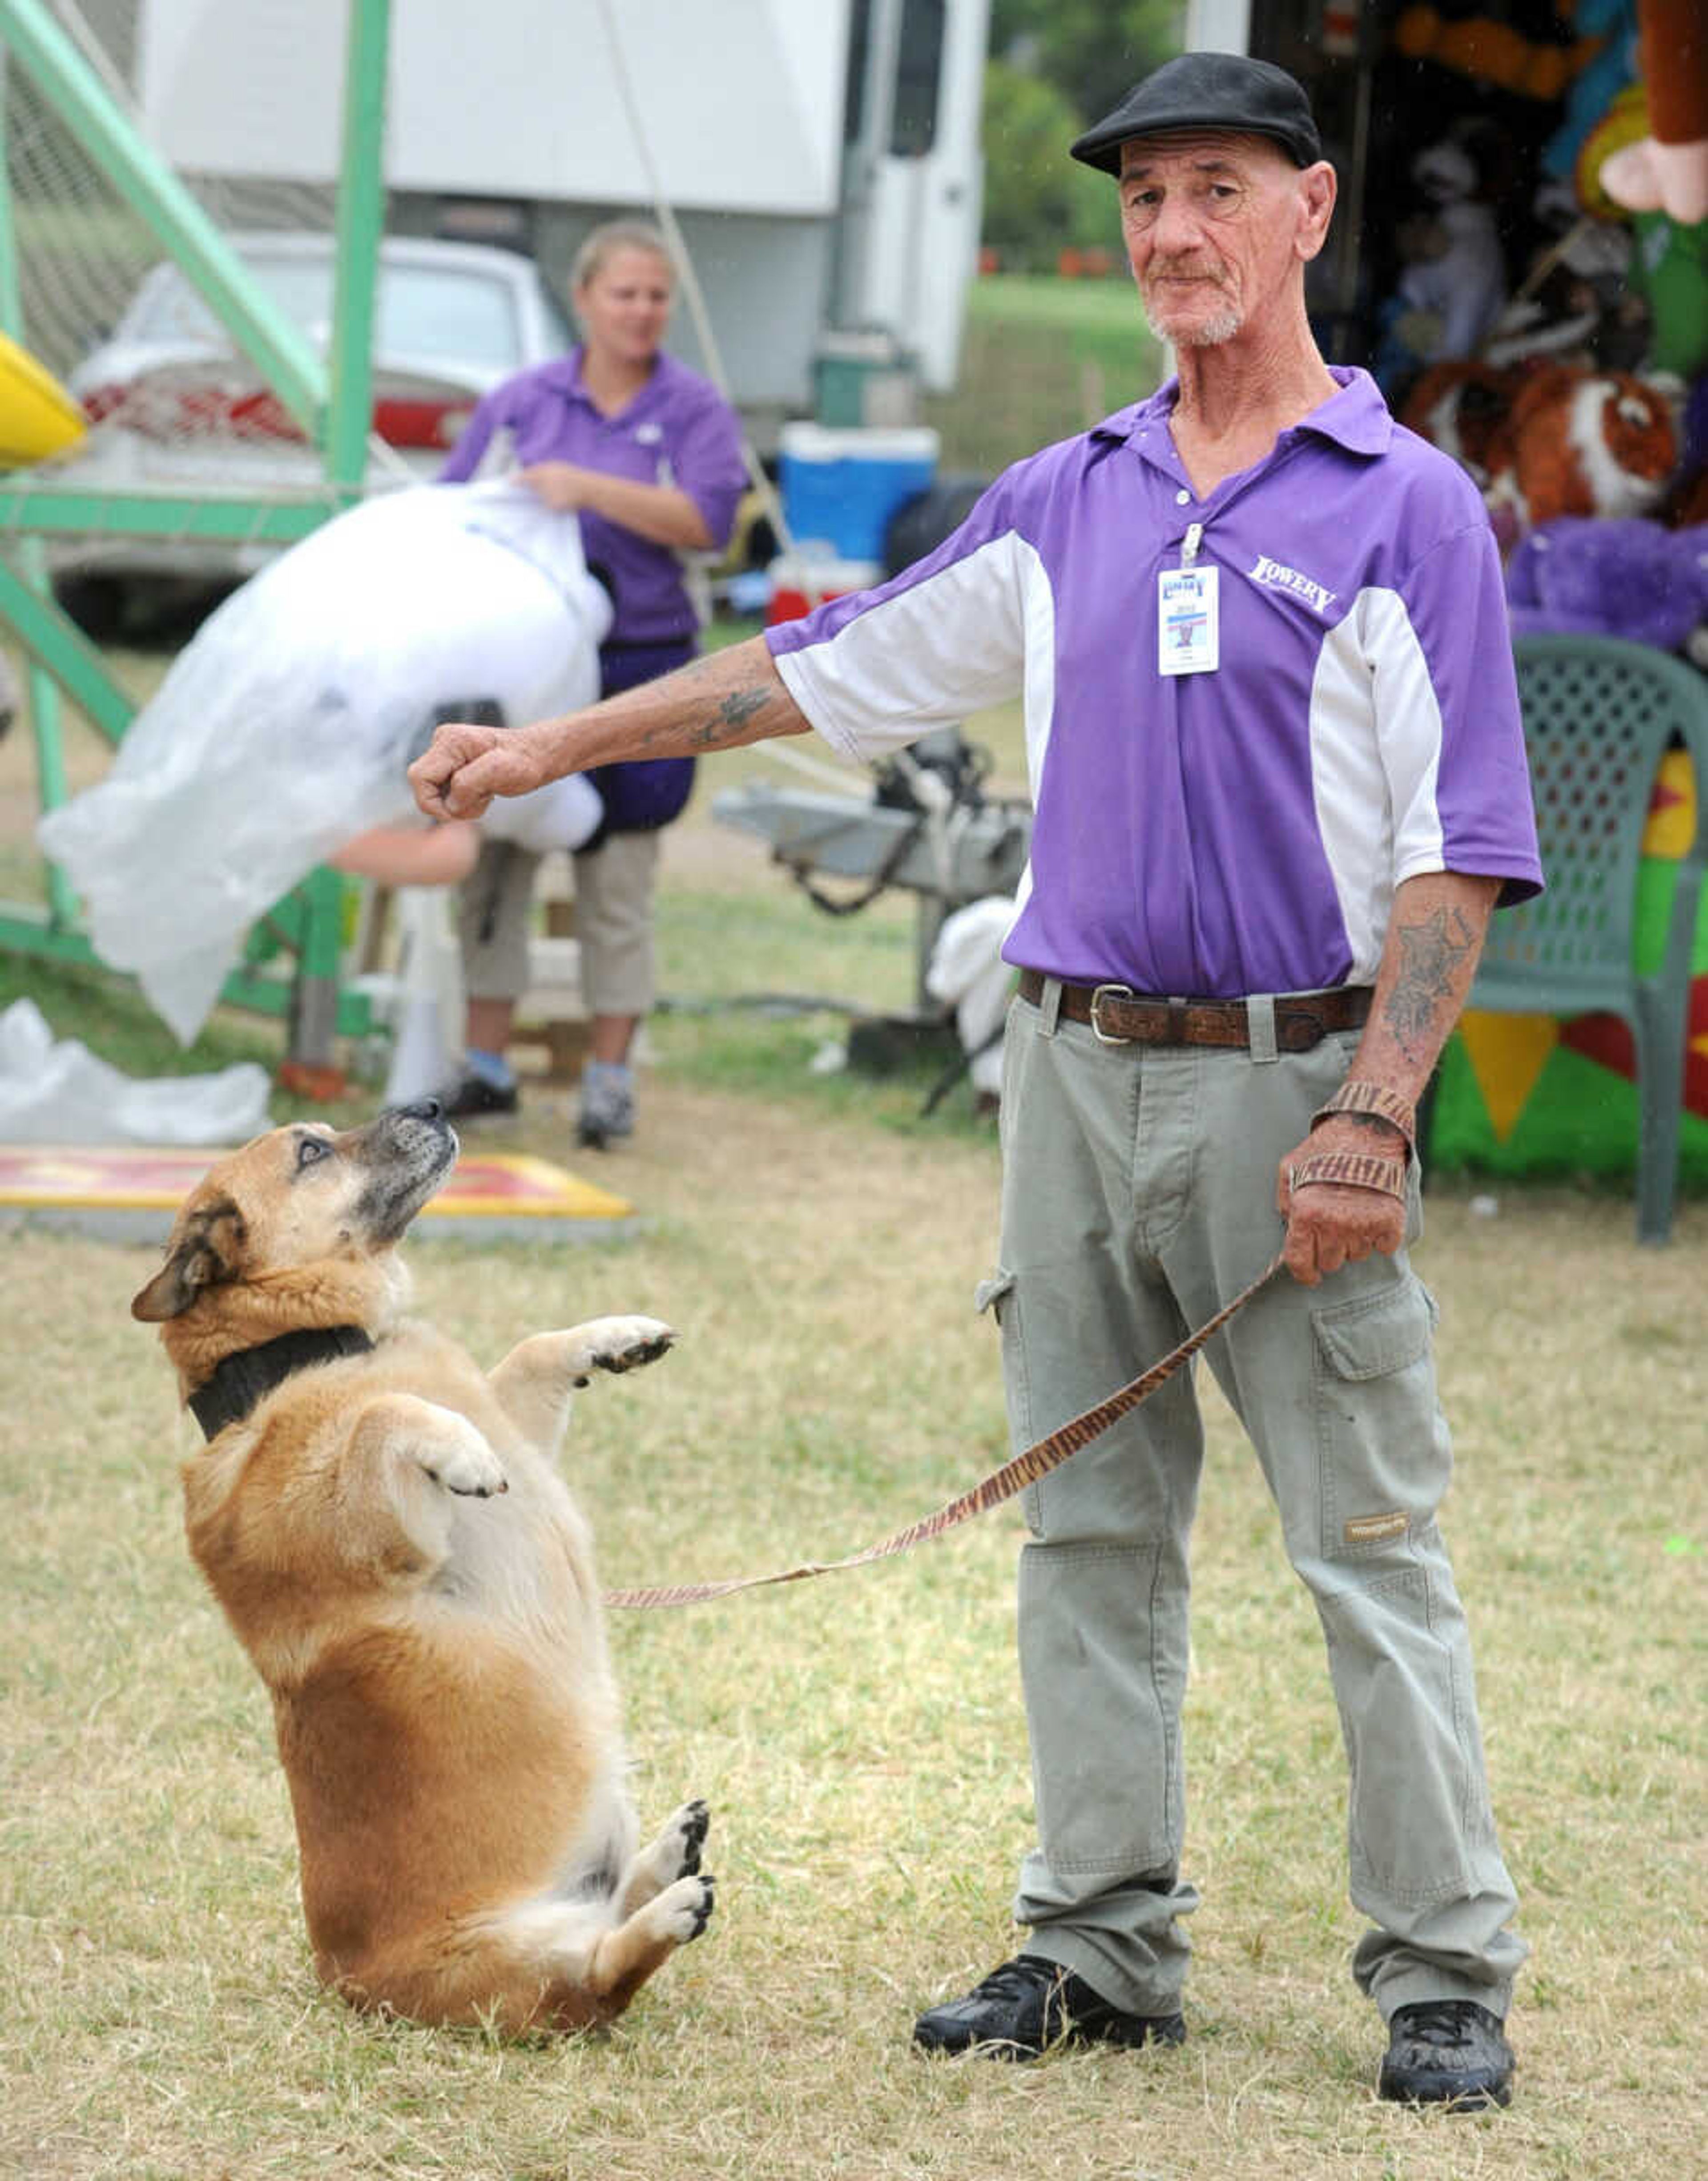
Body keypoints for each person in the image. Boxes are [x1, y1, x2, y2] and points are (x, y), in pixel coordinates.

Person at [410, 53, 1541, 2108]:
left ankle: (1442, 1973)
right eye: (1142, 201)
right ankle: (1097, 1945)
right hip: (1064, 1070)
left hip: (1293, 1087)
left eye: (1215, 189)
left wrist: (1375, 1112)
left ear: (1305, 212)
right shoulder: (1070, 493)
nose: (1173, 233)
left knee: (1365, 1539)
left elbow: (1456, 843)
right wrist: (544, 749)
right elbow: (816, 667)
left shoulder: (1404, 510)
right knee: (1085, 1531)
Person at [435, 218, 747, 1148]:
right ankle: (485, 1068)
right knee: (495, 858)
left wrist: (590, 488)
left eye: (658, 296)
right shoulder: (525, 400)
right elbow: (455, 507)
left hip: (641, 665)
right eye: (625, 294)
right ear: (583, 301)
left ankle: (610, 1080)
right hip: (526, 664)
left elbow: (711, 521)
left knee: (618, 876)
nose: (643, 311)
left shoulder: (693, 408)